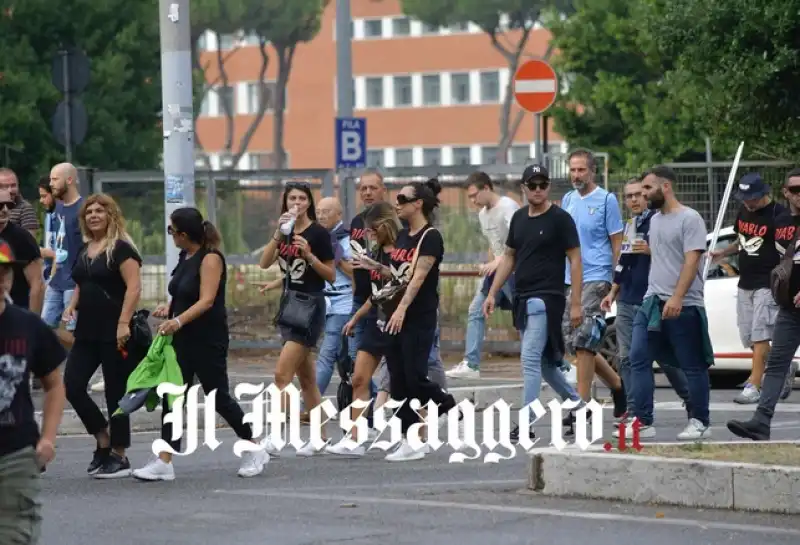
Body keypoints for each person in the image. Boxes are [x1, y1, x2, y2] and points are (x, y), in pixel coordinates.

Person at [132, 207, 268, 481]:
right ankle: (164, 459)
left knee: (217, 396)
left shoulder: (210, 259)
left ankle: (253, 446)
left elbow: (206, 300)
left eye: (172, 230)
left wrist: (178, 320)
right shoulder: (186, 256)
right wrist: (169, 308)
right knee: (172, 395)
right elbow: (184, 292)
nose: (170, 235)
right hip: (181, 339)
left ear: (183, 234)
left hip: (207, 338)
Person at [484, 165, 582, 442]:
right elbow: (509, 258)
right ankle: (578, 405)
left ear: (548, 186)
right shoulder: (518, 219)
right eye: (532, 184)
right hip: (523, 298)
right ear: (523, 188)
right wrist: (492, 292)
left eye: (543, 184)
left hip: (547, 298)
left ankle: (525, 423)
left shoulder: (560, 219)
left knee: (528, 359)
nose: (538, 189)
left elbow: (575, 259)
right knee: (546, 363)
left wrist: (576, 302)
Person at [628, 165, 714, 440]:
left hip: (685, 304)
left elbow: (691, 260)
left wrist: (677, 297)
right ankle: (643, 421)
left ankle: (700, 421)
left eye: (648, 189)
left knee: (692, 365)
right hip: (651, 301)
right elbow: (663, 257)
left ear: (665, 187)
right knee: (637, 358)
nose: (643, 195)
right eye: (641, 189)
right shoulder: (653, 220)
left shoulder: (690, 219)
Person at [600, 178, 692, 436]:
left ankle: (692, 401)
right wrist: (613, 292)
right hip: (627, 299)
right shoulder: (631, 224)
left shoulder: (659, 221)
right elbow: (623, 261)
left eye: (639, 194)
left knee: (664, 358)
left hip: (652, 298)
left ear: (648, 195)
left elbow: (676, 256)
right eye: (629, 196)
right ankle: (635, 411)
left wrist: (650, 250)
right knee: (628, 358)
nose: (634, 200)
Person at [62, 193, 143, 477]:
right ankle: (102, 437)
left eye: (100, 211)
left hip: (115, 331)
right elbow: (82, 283)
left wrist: (124, 323)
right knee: (72, 385)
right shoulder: (86, 250)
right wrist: (72, 306)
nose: (93, 215)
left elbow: (133, 287)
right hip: (86, 331)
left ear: (111, 215)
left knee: (115, 393)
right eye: (89, 212)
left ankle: (119, 454)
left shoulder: (121, 249)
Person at [380, 178, 457, 462]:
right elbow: (399, 275)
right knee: (397, 380)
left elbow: (419, 277)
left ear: (418, 204)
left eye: (402, 199)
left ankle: (447, 405)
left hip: (418, 315)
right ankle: (409, 440)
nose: (396, 204)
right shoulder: (402, 236)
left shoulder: (430, 237)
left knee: (414, 376)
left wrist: (402, 309)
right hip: (393, 315)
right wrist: (376, 266)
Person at [258, 181, 335, 457]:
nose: (297, 203)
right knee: (307, 380)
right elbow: (264, 263)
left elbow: (331, 275)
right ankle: (320, 437)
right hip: (289, 306)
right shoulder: (285, 232)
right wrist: (279, 234)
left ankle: (277, 435)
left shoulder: (318, 234)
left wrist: (309, 255)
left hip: (311, 307)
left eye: (302, 198)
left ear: (309, 203)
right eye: (292, 198)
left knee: (281, 375)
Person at [0, 238, 66, 545]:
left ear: (9, 279)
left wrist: (48, 438)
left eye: (3, 272)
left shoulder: (26, 326)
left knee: (15, 536)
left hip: (15, 453)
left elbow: (54, 383)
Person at [728, 168, 800, 440]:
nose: (798, 195)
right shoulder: (784, 223)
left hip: (775, 295)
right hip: (789, 308)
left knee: (766, 346)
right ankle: (761, 421)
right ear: (785, 192)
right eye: (794, 190)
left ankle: (757, 404)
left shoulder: (777, 217)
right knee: (777, 363)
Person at [709, 173, 793, 403]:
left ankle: (754, 385)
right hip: (744, 282)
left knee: (760, 334)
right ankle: (781, 369)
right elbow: (742, 240)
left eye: (752, 198)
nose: (748, 202)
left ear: (764, 194)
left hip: (768, 284)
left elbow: (789, 250)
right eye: (744, 198)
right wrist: (723, 253)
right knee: (748, 336)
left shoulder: (779, 215)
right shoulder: (744, 212)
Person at [326, 201, 400, 457]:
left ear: (385, 224)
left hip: (399, 322)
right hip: (374, 320)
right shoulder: (376, 252)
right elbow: (376, 293)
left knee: (408, 383)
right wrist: (355, 318)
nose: (369, 235)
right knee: (359, 378)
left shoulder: (403, 249)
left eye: (373, 229)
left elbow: (406, 282)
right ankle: (355, 438)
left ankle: (417, 433)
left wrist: (381, 269)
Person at [559, 149, 626, 417]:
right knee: (575, 343)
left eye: (581, 170)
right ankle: (618, 385)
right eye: (573, 170)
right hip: (569, 278)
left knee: (585, 339)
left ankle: (581, 404)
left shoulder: (607, 200)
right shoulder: (567, 199)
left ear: (592, 171)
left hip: (596, 276)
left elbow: (617, 242)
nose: (577, 175)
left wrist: (615, 282)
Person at [447, 171, 519, 379]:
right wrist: (491, 263)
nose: (472, 201)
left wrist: (498, 261)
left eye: (474, 195)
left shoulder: (508, 207)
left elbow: (520, 241)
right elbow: (493, 244)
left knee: (525, 317)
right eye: (469, 197)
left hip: (515, 271)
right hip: (497, 273)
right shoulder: (483, 215)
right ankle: (471, 364)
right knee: (475, 310)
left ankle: (555, 363)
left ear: (486, 188)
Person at [313, 197, 356, 399]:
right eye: (319, 211)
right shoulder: (322, 236)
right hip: (326, 302)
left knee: (327, 354)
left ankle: (308, 404)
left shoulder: (347, 239)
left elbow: (356, 274)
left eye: (326, 212)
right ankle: (374, 395)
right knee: (344, 358)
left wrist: (336, 256)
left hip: (343, 301)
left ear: (338, 214)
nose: (321, 216)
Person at [44, 163, 84, 353]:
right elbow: (58, 246)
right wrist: (51, 276)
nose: (51, 184)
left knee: (73, 330)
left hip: (73, 283)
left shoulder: (83, 209)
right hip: (56, 280)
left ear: (69, 180)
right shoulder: (58, 207)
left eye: (54, 179)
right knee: (44, 326)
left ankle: (81, 367)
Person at [0, 189, 44, 314]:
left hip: (16, 311)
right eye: (0, 205)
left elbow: (37, 284)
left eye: (8, 205)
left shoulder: (22, 238)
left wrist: (32, 323)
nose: (4, 210)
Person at [0, 167, 40, 238]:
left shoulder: (25, 208)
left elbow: (29, 241)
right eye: (5, 186)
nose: (10, 190)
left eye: (13, 185)